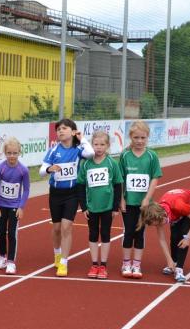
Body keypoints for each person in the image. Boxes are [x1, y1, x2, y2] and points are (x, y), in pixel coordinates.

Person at [40, 118, 94, 277]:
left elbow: (91, 153)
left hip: (72, 193)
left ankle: (64, 262)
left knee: (66, 226)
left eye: (64, 128)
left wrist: (82, 138)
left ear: (73, 131)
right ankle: (57, 254)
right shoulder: (53, 150)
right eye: (58, 129)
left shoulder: (78, 149)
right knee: (56, 228)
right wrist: (50, 169)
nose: (61, 131)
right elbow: (41, 171)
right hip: (56, 193)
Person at [119, 120, 162, 279]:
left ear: (147, 137)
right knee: (128, 231)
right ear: (131, 137)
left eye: (143, 138)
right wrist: (121, 199)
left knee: (140, 233)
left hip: (144, 203)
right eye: (136, 137)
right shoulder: (125, 155)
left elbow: (155, 178)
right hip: (128, 202)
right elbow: (120, 179)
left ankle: (136, 264)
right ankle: (126, 263)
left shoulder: (151, 156)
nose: (139, 141)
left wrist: (147, 199)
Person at [76, 130, 123, 279]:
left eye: (102, 144)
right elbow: (80, 186)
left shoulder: (112, 163)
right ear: (92, 145)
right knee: (93, 234)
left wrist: (115, 207)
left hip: (107, 207)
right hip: (92, 207)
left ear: (107, 146)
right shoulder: (86, 164)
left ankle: (103, 265)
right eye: (96, 144)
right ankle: (94, 264)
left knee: (105, 234)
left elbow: (118, 185)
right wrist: (83, 207)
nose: (99, 147)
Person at [138, 189, 190, 283]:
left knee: (183, 235)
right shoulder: (157, 215)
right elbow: (162, 239)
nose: (159, 225)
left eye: (158, 223)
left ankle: (179, 269)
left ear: (161, 216)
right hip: (174, 207)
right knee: (174, 236)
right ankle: (173, 262)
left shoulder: (179, 206)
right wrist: (169, 260)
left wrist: (188, 237)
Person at [0, 137, 30, 275]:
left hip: (14, 206)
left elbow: (26, 190)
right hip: (1, 206)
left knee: (12, 233)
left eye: (15, 153)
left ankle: (11, 261)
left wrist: (21, 207)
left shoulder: (23, 170)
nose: (12, 156)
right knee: (1, 232)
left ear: (19, 152)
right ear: (5, 153)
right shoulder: (0, 169)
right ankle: (2, 256)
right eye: (9, 153)